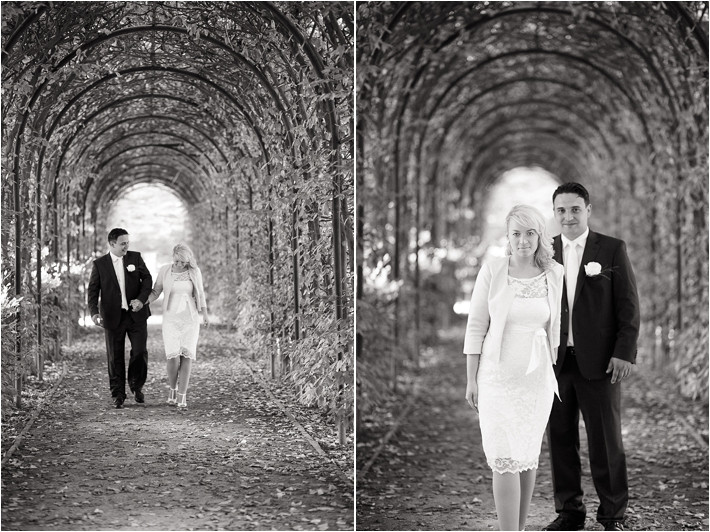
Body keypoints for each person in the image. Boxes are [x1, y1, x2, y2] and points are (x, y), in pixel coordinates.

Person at [543, 183, 640, 532]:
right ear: (554, 213)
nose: (568, 216)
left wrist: (624, 352)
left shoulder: (611, 249)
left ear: (588, 209)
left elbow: (628, 305)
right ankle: (569, 512)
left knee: (606, 439)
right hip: (554, 364)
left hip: (599, 362)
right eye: (561, 210)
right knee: (560, 438)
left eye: (575, 209)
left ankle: (613, 514)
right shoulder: (544, 250)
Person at [464, 204, 564, 531]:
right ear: (508, 237)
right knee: (504, 458)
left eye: (530, 233)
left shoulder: (554, 273)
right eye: (516, 233)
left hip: (535, 381)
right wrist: (471, 379)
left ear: (540, 236)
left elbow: (559, 326)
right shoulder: (493, 270)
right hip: (497, 377)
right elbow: (476, 325)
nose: (523, 240)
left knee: (526, 455)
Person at [88, 228, 153, 409]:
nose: (126, 246)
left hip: (136, 315)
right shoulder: (100, 264)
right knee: (114, 356)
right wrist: (94, 313)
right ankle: (118, 394)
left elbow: (147, 280)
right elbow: (93, 290)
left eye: (127, 243)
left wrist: (141, 300)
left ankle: (136, 385)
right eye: (123, 243)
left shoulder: (135, 258)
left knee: (140, 351)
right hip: (112, 316)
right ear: (112, 244)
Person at [147, 243, 209, 409]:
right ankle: (172, 388)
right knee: (173, 357)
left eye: (183, 262)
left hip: (190, 318)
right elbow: (156, 291)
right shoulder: (165, 270)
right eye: (177, 261)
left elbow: (201, 293)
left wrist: (205, 314)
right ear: (173, 258)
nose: (180, 265)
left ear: (188, 260)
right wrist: (143, 302)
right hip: (171, 319)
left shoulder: (194, 272)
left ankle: (182, 395)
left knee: (187, 356)